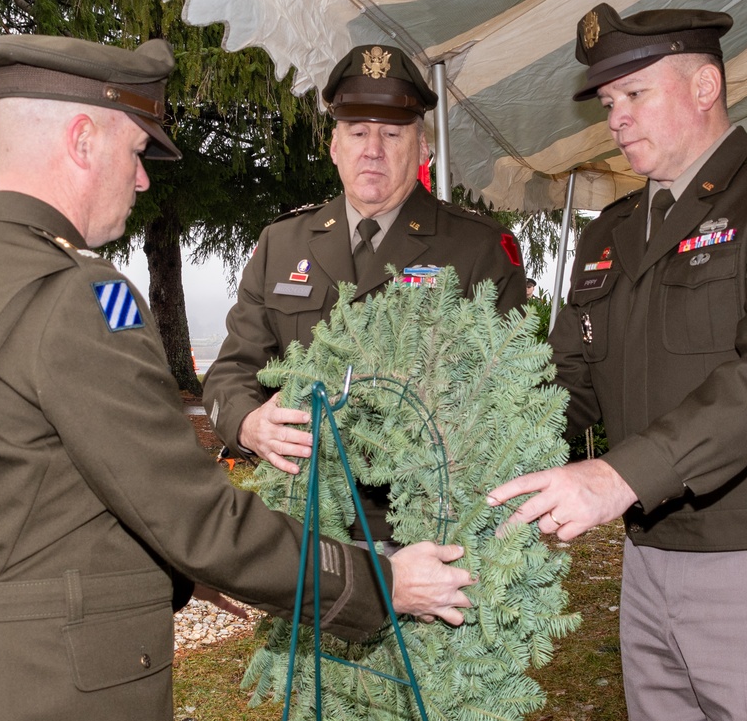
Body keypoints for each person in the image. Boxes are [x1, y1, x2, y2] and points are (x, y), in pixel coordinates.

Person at [0, 34, 474, 721]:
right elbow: (197, 516)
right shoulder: (81, 297)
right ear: (82, 139)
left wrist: (175, 574)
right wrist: (384, 580)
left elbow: (27, 510)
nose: (142, 179)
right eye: (136, 152)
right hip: (49, 688)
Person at [487, 3, 747, 720]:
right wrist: (484, 442)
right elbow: (570, 382)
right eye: (608, 103)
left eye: (635, 94)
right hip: (652, 558)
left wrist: (617, 474)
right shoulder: (612, 231)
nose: (617, 118)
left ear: (704, 87)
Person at [203, 43, 526, 546]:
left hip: (428, 528)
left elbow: (512, 398)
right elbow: (232, 370)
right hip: (303, 521)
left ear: (423, 150)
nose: (372, 149)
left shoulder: (477, 248)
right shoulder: (282, 243)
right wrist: (248, 424)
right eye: (357, 133)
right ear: (334, 147)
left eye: (392, 134)